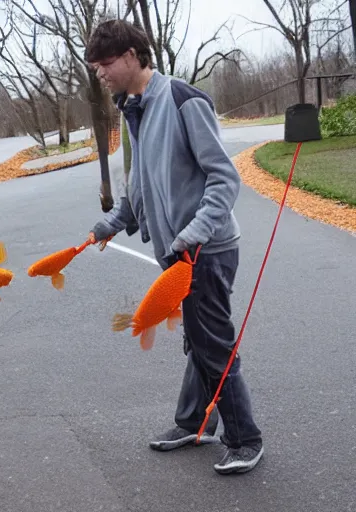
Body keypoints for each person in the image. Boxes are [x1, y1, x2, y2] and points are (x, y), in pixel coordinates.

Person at [85, 19, 264, 475]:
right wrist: (113, 222)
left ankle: (245, 439)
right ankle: (194, 423)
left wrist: (195, 231)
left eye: (105, 64)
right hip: (177, 252)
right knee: (198, 338)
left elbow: (225, 179)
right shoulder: (134, 110)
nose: (101, 74)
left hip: (207, 248)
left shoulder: (183, 100)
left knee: (213, 341)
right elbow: (141, 187)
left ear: (130, 55)